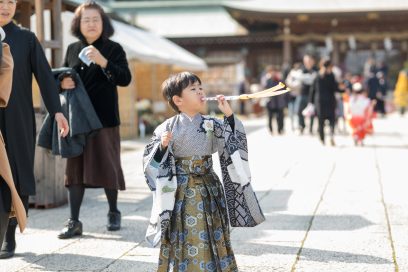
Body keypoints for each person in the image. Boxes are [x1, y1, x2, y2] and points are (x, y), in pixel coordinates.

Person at [143, 72, 264, 271]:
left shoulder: (212, 123)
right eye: (193, 89)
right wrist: (163, 147)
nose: (200, 92)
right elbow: (150, 165)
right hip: (181, 191)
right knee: (185, 232)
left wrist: (229, 116)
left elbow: (232, 141)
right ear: (178, 100)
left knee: (214, 229)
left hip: (210, 187)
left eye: (201, 88)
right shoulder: (166, 128)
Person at [0, 1, 69, 259]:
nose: (5, 7)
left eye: (9, 1)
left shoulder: (26, 39)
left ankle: (8, 237)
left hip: (17, 118)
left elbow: (44, 74)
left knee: (15, 173)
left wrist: (57, 110)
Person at [57, 1, 131, 239]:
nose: (90, 24)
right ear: (78, 24)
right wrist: (61, 83)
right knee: (74, 170)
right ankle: (74, 221)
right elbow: (60, 77)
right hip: (76, 119)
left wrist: (104, 62)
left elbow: (125, 79)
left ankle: (113, 212)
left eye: (95, 19)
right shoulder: (71, 49)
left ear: (103, 23)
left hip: (104, 119)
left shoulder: (114, 48)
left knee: (108, 166)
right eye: (86, 20)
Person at [310, 59, 342, 146]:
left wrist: (311, 102)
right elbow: (335, 88)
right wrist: (343, 90)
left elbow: (312, 90)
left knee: (321, 121)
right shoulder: (331, 75)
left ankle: (322, 139)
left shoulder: (317, 76)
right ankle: (331, 134)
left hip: (319, 102)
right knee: (332, 120)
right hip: (330, 101)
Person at [298, 54, 317, 134]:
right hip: (303, 93)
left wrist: (306, 78)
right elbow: (299, 79)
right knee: (299, 111)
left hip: (313, 94)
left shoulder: (316, 70)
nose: (308, 62)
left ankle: (311, 128)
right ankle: (302, 126)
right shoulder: (301, 70)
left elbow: (314, 80)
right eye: (306, 61)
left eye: (309, 60)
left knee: (312, 112)